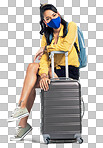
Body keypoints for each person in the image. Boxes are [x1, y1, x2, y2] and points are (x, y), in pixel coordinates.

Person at [7, 3, 80, 141]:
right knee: (32, 68)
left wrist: (46, 48)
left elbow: (65, 47)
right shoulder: (47, 34)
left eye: (54, 15)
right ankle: (22, 115)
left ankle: (22, 117)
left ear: (58, 14)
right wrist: (44, 75)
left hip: (68, 72)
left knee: (33, 75)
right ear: (44, 22)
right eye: (48, 18)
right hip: (52, 71)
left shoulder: (71, 26)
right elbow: (44, 59)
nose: (52, 19)